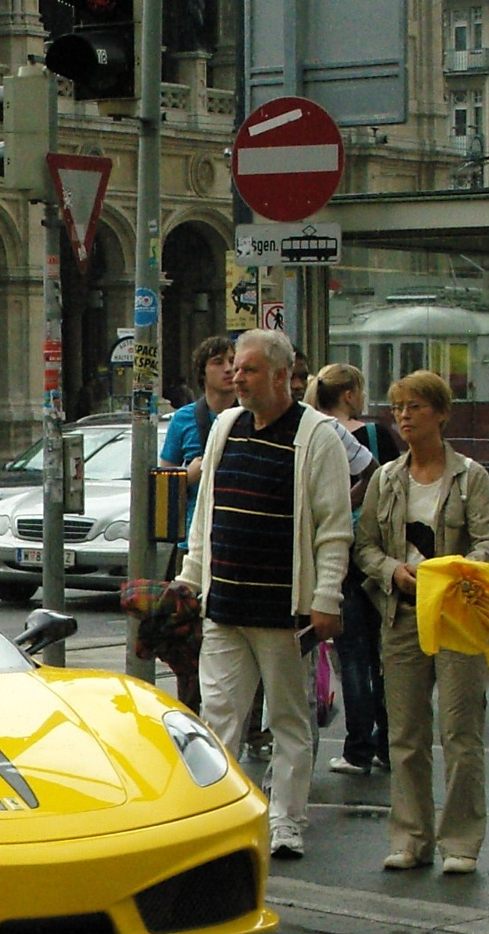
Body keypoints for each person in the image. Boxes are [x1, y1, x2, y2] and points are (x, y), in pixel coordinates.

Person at [172, 329, 353, 858]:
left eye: (247, 370)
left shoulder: (317, 437)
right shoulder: (226, 426)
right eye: (234, 368)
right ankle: (217, 821)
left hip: (284, 611)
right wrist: (190, 579)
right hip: (225, 606)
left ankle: (287, 822)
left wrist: (326, 600)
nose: (236, 378)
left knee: (288, 721)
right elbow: (207, 512)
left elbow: (334, 529)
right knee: (219, 717)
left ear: (280, 376)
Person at [354, 370, 489, 875]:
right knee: (405, 732)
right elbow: (365, 545)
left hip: (457, 617)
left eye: (415, 407)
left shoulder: (470, 477)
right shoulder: (387, 478)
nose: (404, 417)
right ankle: (410, 836)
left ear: (440, 413)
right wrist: (392, 571)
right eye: (398, 408)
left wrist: (455, 572)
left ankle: (460, 841)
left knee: (461, 732)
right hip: (401, 616)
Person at [309, 363, 396, 776]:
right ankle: (389, 743)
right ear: (349, 394)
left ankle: (357, 747)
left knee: (354, 654)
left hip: (335, 553)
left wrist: (338, 507)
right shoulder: (375, 436)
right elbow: (390, 480)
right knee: (382, 652)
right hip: (374, 552)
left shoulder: (314, 432)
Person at [157, 336, 235, 709]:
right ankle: (189, 709)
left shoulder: (250, 415)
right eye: (218, 361)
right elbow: (163, 479)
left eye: (232, 361)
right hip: (194, 543)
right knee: (189, 638)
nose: (228, 369)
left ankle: (248, 723)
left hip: (235, 541)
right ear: (203, 370)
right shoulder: (186, 419)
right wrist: (189, 475)